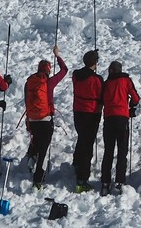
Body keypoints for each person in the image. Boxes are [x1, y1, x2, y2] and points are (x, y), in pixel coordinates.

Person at [24, 46, 68, 188]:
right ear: (48, 70)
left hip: (32, 118)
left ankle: (31, 157)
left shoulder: (29, 81)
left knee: (36, 140)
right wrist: (57, 56)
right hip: (45, 119)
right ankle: (38, 179)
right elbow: (64, 70)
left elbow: (26, 100)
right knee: (44, 149)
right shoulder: (49, 82)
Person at [99, 60, 140, 195]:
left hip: (109, 119)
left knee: (108, 151)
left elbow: (101, 100)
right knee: (122, 151)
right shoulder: (126, 81)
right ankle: (120, 181)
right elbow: (136, 98)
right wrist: (131, 107)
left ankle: (105, 182)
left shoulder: (106, 84)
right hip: (122, 119)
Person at [72, 49, 103, 193]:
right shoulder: (97, 80)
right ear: (94, 63)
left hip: (78, 112)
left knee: (82, 138)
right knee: (88, 144)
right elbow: (101, 96)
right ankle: (82, 178)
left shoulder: (76, 75)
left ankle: (77, 163)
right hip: (92, 114)